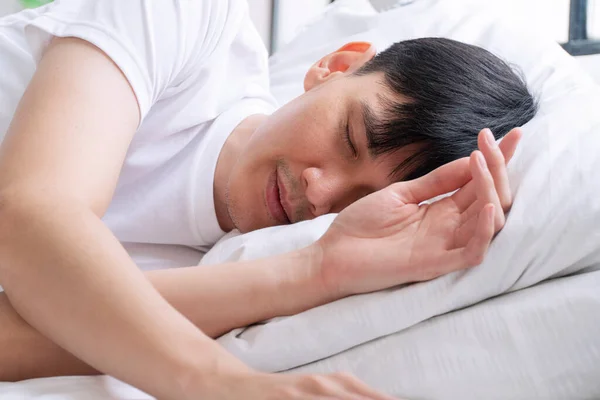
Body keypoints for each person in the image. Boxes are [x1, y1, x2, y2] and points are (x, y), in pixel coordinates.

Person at [0, 0, 536, 398]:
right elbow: (31, 213)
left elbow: (16, 339)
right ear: (337, 65)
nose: (319, 192)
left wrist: (320, 269)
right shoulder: (193, 22)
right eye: (350, 137)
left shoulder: (223, 270)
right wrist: (225, 384)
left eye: (360, 198)